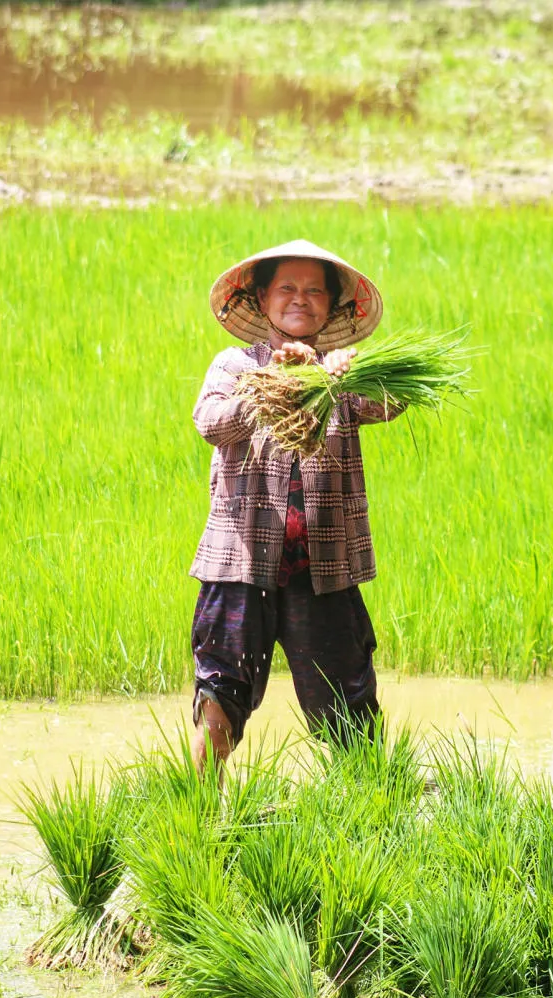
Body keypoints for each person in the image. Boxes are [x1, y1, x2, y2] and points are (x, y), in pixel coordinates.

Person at [189, 238, 403, 773]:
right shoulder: (236, 365)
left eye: (314, 291)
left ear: (332, 306)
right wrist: (273, 390)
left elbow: (392, 401)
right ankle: (196, 821)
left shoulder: (342, 375)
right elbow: (210, 422)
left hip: (323, 570)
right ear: (262, 298)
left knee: (349, 704)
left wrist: (344, 378)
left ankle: (370, 819)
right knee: (220, 692)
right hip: (241, 563)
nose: (299, 299)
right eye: (286, 288)